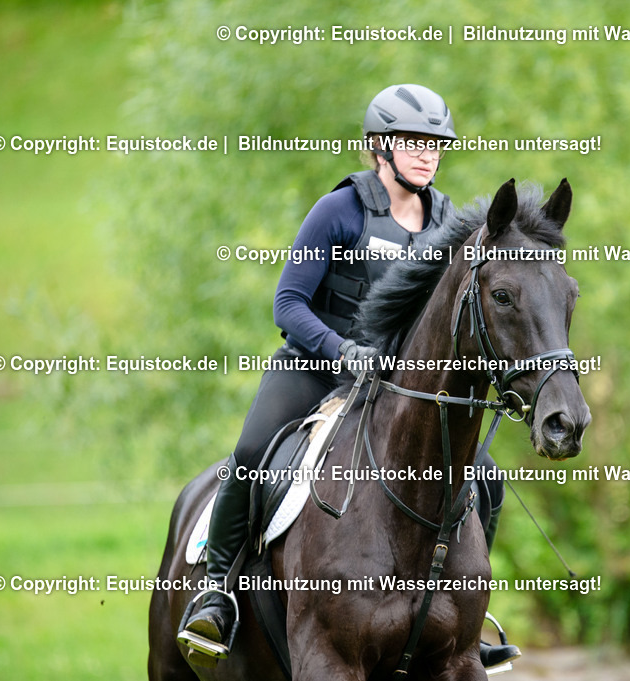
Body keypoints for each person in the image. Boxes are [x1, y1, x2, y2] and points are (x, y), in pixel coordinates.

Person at [178, 84, 519, 670]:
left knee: (484, 475)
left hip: (397, 387)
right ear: (380, 147)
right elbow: (288, 304)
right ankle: (217, 592)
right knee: (251, 454)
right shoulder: (340, 211)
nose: (427, 154)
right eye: (412, 142)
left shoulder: (447, 221)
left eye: (435, 144)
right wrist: (343, 351)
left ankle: (467, 619)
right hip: (315, 370)